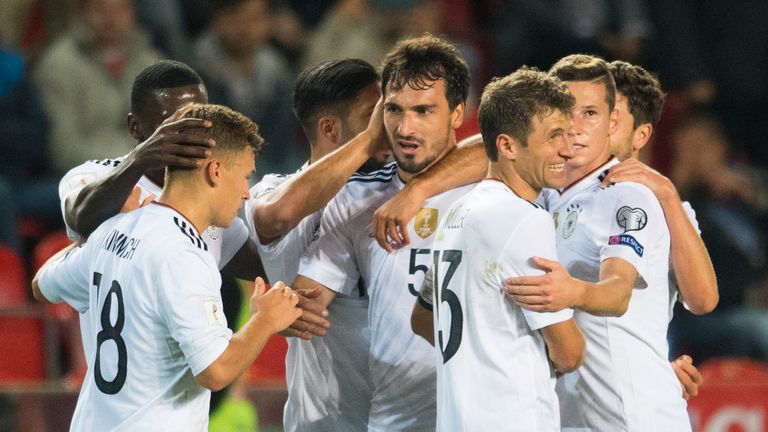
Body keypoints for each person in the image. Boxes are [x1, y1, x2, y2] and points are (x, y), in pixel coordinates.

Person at [31, 103, 302, 430]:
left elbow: (41, 286)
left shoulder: (112, 228)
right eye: (244, 176)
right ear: (214, 170)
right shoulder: (185, 255)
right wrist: (265, 319)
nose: (246, 193)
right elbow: (216, 372)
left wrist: (87, 242)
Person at [292, 34, 473, 430]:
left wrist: (421, 189)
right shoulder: (356, 199)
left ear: (457, 113)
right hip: (396, 416)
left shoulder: (498, 188)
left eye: (424, 111)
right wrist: (293, 309)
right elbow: (311, 293)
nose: (405, 128)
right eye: (394, 110)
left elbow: (497, 148)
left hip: (480, 411)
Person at [507, 54, 690, 431]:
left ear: (613, 122)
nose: (574, 126)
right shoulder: (543, 198)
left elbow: (618, 292)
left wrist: (570, 291)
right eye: (564, 111)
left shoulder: (625, 196)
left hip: (632, 417)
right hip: (573, 416)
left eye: (589, 113)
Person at [410, 67, 585, 431]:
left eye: (568, 135)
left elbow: (422, 319)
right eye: (554, 136)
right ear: (506, 145)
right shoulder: (523, 219)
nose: (567, 150)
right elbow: (568, 353)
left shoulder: (459, 212)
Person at [244, 58, 389, 431]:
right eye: (372, 117)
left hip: (405, 414)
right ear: (328, 128)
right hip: (324, 419)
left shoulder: (401, 190)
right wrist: (368, 141)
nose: (388, 128)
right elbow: (277, 215)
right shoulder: (271, 191)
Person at [59, 60, 264, 279]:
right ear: (135, 127)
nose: (188, 133)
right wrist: (139, 160)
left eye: (198, 120)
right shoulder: (95, 174)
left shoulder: (208, 194)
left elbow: (268, 268)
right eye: (171, 124)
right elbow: (80, 218)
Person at [32, 0, 162, 174]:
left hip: (146, 168)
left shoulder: (150, 60)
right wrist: (132, 160)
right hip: (88, 178)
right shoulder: (59, 65)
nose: (111, 18)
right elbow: (64, 151)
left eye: (120, 9)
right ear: (81, 14)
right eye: (101, 9)